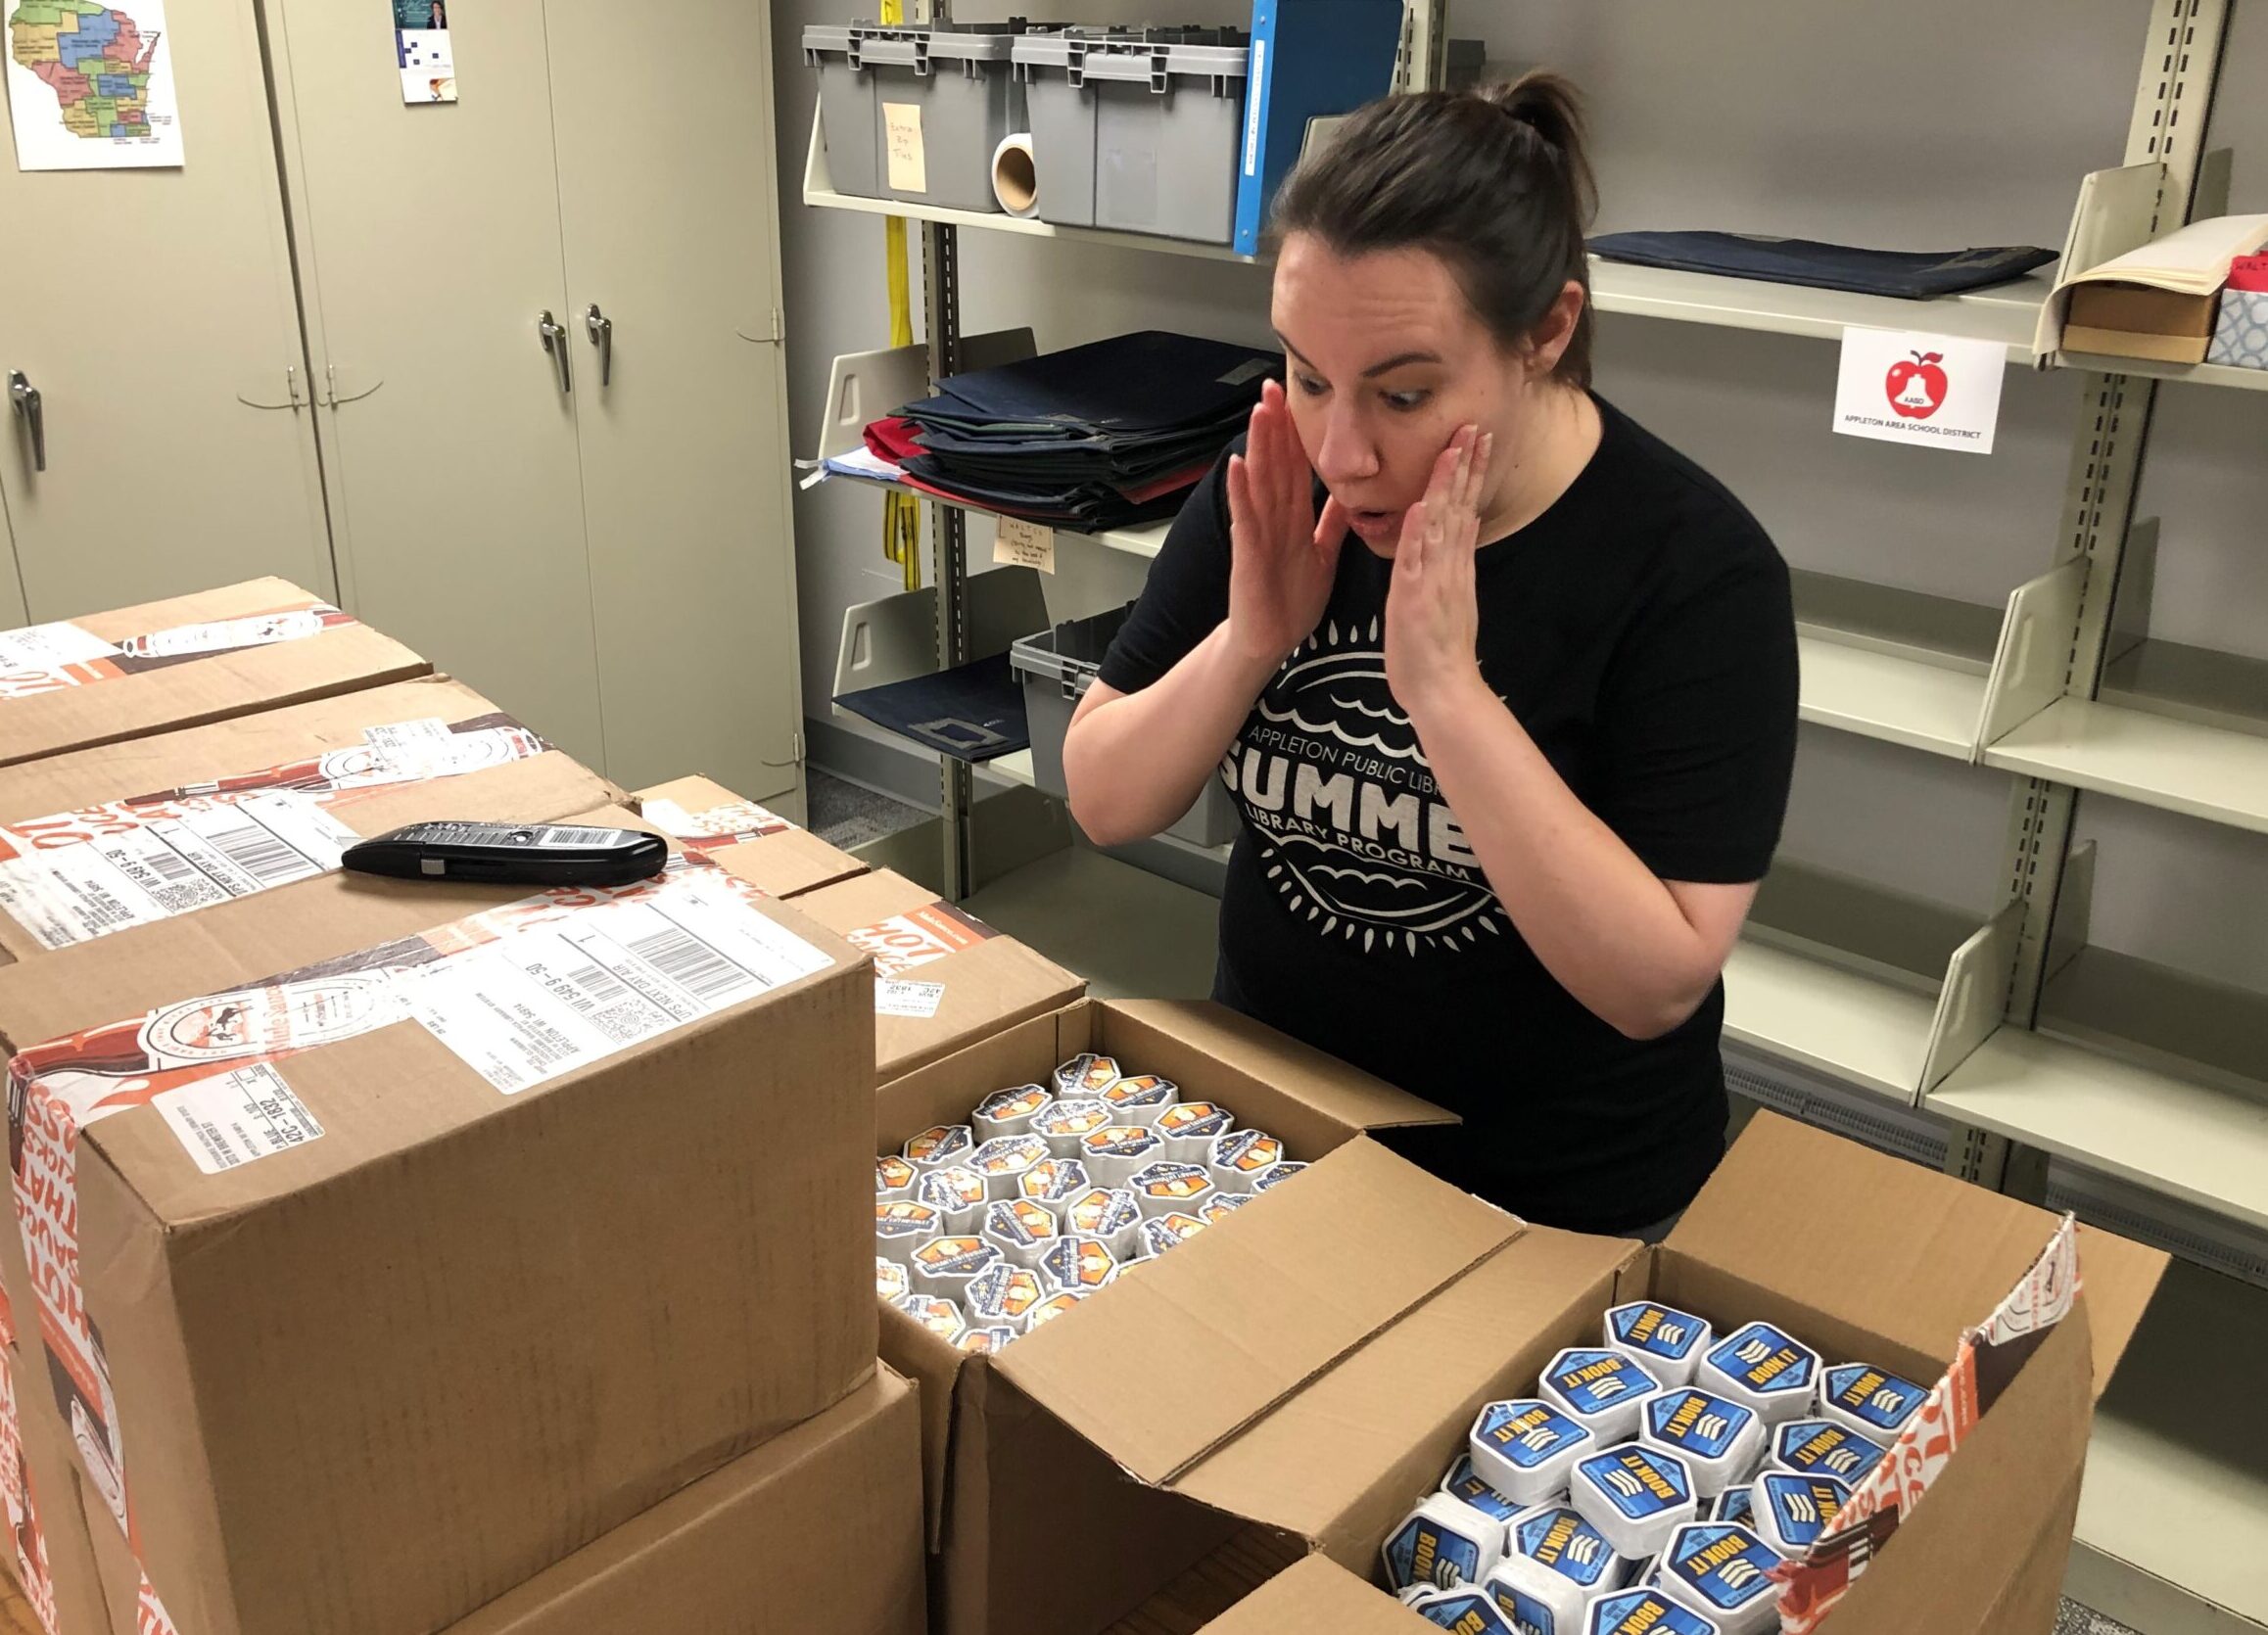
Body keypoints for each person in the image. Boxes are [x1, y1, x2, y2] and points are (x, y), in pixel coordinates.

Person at [1062, 73, 1799, 1238]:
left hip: (1549, 1201)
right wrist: (1254, 638)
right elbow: (1102, 794)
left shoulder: (1694, 570)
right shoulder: (1280, 478)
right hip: (1281, 1128)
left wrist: (1448, 692)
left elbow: (1657, 981)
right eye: (1307, 374)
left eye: (1404, 393)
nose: (1345, 451)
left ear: (1545, 334)